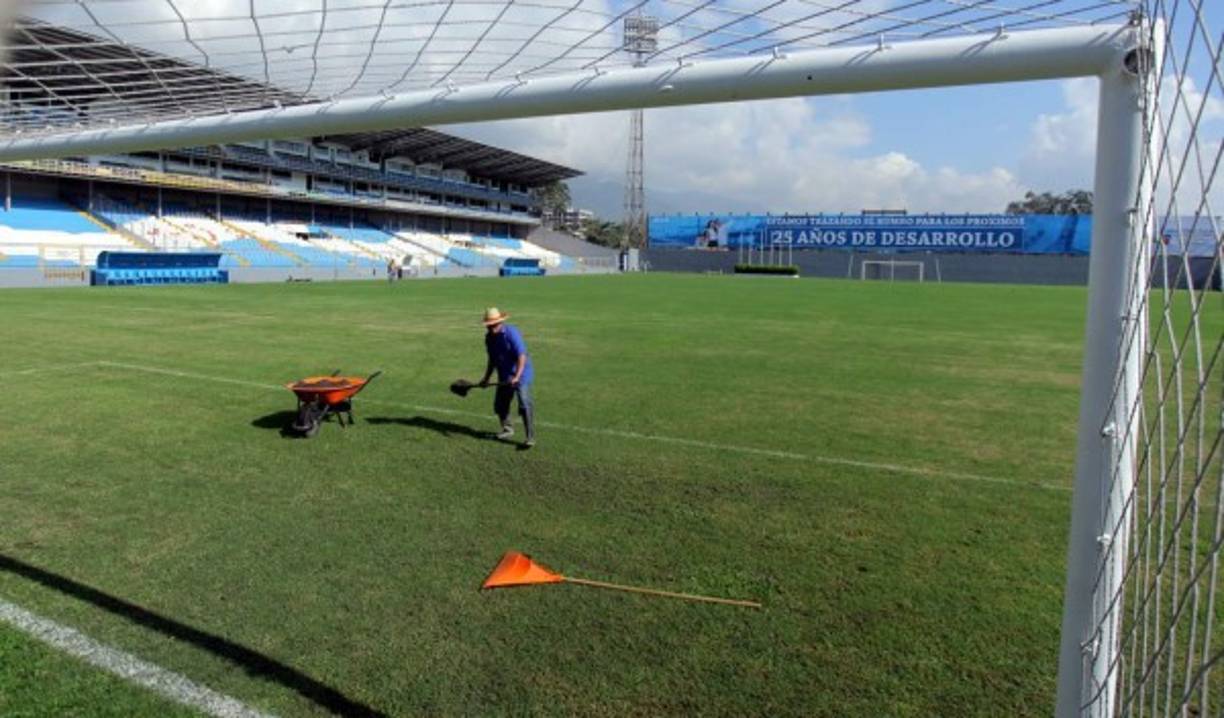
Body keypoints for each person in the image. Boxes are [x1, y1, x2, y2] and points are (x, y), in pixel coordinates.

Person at [478, 307, 535, 448]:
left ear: (500, 322)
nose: (491, 328)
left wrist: (517, 377)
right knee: (500, 405)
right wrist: (486, 378)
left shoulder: (511, 333)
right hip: (504, 374)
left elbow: (522, 356)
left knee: (524, 404)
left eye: (494, 325)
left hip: (521, 373)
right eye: (489, 325)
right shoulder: (489, 338)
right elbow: (492, 360)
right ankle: (508, 429)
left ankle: (530, 438)